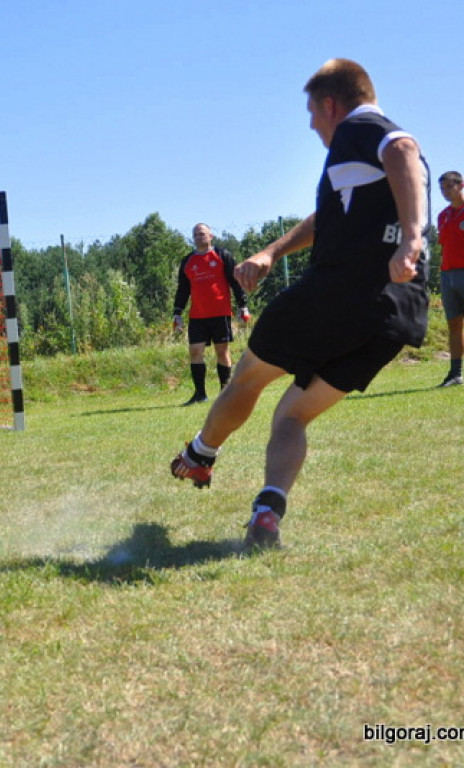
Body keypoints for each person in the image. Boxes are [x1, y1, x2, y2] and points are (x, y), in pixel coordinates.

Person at [169, 58, 429, 549]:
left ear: (331, 104)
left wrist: (411, 239)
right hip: (396, 316)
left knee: (247, 377)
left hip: (340, 294)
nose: (311, 125)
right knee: (291, 415)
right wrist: (271, 252)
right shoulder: (357, 166)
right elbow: (329, 214)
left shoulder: (362, 127)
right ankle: (267, 513)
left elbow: (404, 149)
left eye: (313, 112)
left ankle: (201, 455)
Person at [172, 223, 252, 405]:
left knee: (222, 351)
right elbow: (183, 289)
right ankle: (200, 394)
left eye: (202, 234)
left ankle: (225, 394)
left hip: (220, 312)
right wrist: (177, 313)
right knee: (195, 351)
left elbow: (235, 282)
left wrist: (243, 306)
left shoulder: (223, 256)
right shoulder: (188, 261)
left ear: (211, 236)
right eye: (195, 235)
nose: (199, 237)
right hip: (197, 316)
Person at [436, 170, 464, 387]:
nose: (445, 192)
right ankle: (455, 374)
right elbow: (444, 245)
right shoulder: (443, 215)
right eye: (442, 188)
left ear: (460, 185)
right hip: (447, 275)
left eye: (449, 187)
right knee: (454, 324)